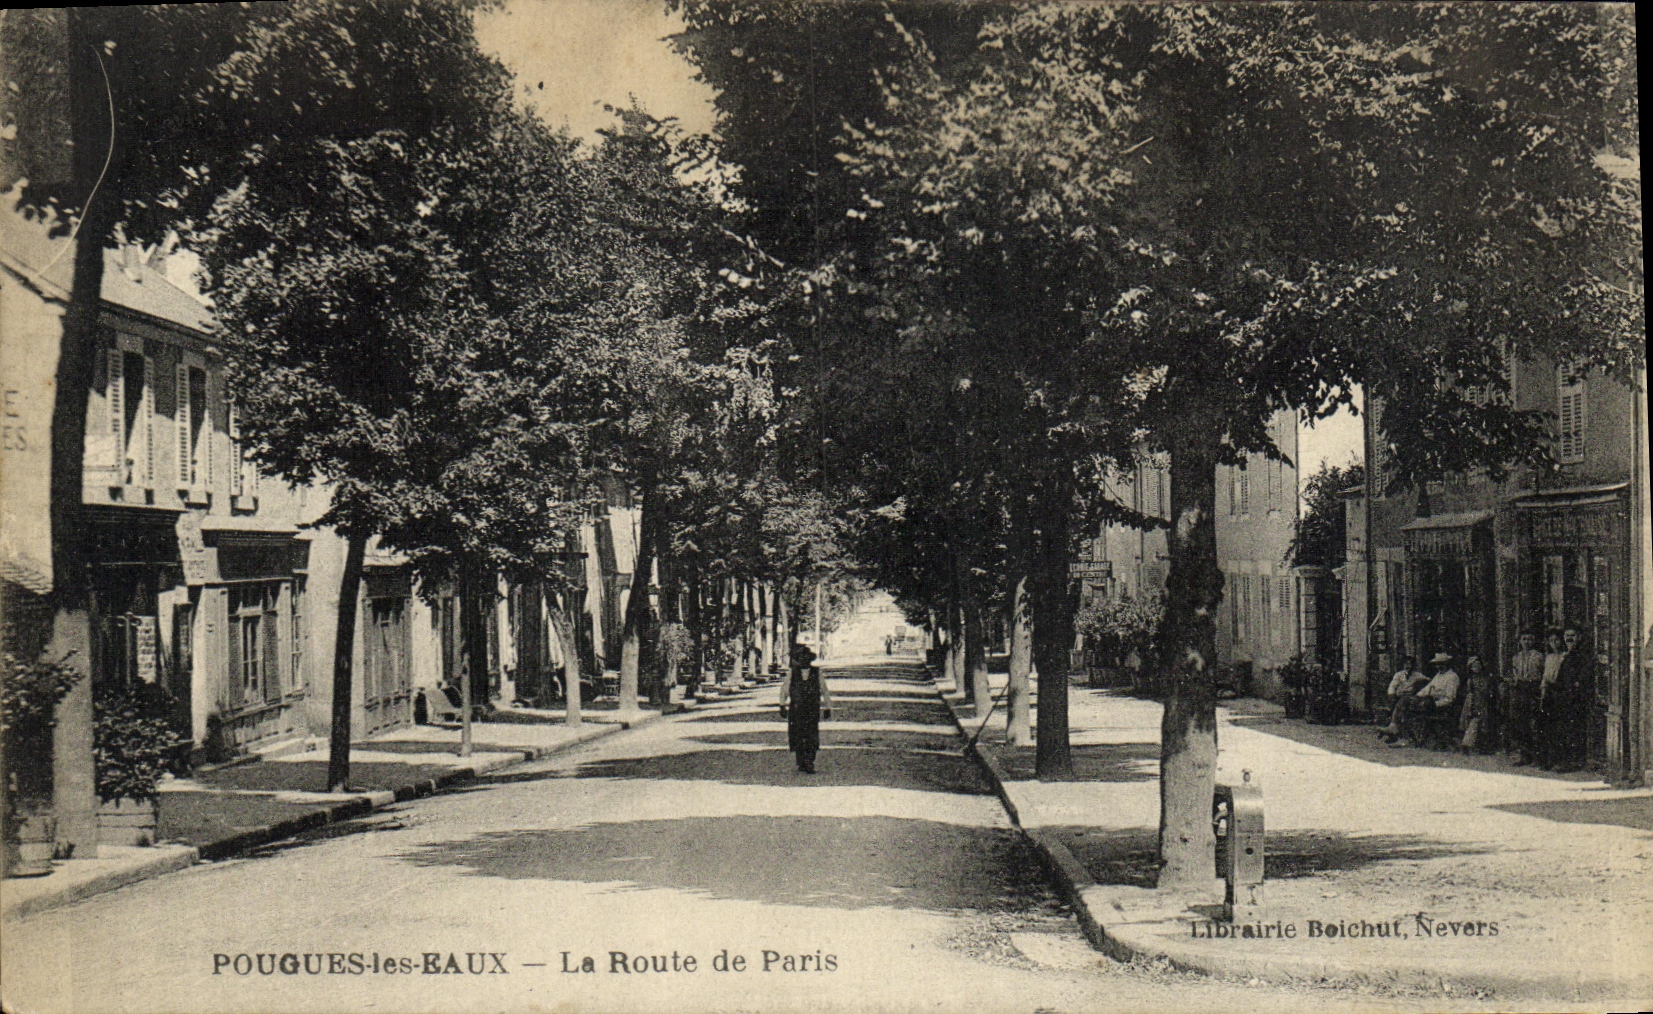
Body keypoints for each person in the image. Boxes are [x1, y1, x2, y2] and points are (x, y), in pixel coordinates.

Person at [1380, 651, 1459, 746]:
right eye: (1437, 664)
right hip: (1429, 701)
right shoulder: (1438, 675)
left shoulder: (1452, 677)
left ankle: (1402, 735)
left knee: (1409, 707)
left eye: (1441, 663)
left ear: (1447, 663)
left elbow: (1449, 698)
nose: (1439, 666)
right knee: (1406, 701)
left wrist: (1434, 704)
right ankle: (1398, 731)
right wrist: (1417, 696)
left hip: (1440, 706)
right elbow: (1427, 688)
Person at [780, 643, 833, 773]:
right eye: (801, 657)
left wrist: (827, 707)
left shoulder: (817, 672)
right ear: (798, 659)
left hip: (812, 709)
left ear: (810, 659)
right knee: (797, 734)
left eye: (806, 658)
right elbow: (784, 690)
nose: (804, 660)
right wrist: (782, 705)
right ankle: (801, 761)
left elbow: (824, 690)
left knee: (811, 734)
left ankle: (810, 760)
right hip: (796, 709)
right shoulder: (792, 673)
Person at [1505, 631, 1545, 765]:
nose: (1527, 642)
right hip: (1520, 690)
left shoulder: (1539, 656)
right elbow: (1514, 673)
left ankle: (1537, 757)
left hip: (1534, 688)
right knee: (1521, 724)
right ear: (1520, 641)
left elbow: (1542, 674)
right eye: (1524, 639)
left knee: (1534, 723)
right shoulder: (1516, 657)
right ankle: (1523, 755)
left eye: (1529, 639)